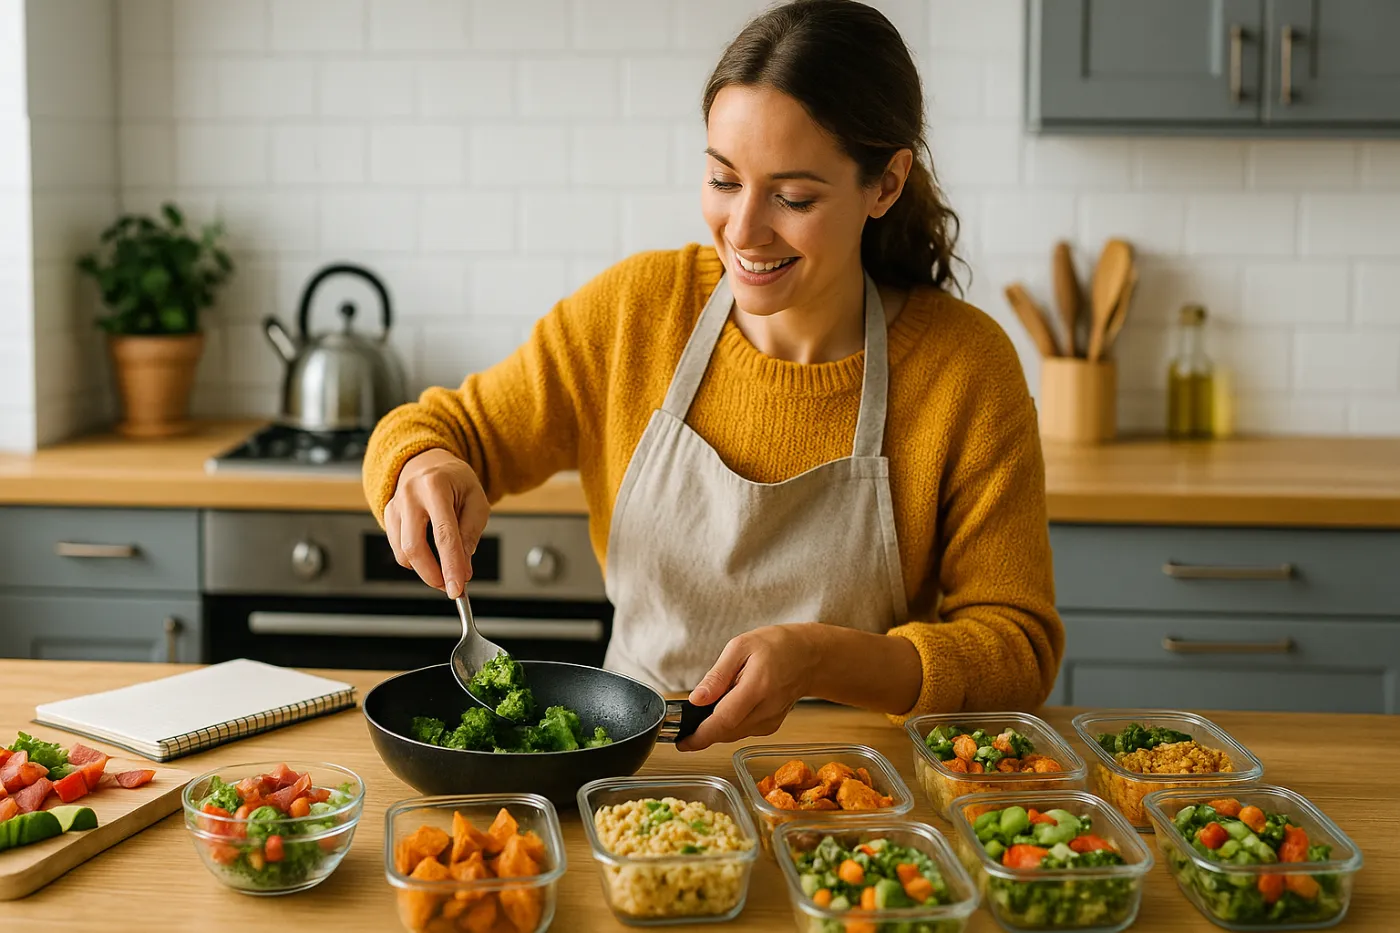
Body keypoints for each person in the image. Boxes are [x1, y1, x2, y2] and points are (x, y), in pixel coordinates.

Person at [362, 0, 1063, 753]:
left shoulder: (964, 369)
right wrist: (421, 465)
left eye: (793, 198)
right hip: (632, 771)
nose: (744, 230)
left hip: (852, 793)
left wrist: (820, 657)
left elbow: (1018, 647)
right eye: (724, 181)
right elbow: (442, 427)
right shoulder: (637, 313)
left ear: (886, 184)